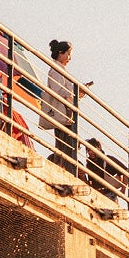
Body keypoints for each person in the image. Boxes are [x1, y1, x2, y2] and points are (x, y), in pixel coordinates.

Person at [44, 40, 85, 173]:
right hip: (62, 112)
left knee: (67, 144)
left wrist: (77, 93)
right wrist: (75, 92)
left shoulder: (60, 69)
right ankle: (63, 169)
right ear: (60, 53)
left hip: (66, 111)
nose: (70, 58)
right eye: (68, 54)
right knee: (65, 144)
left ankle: (64, 168)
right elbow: (58, 91)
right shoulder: (56, 69)